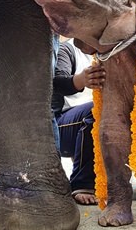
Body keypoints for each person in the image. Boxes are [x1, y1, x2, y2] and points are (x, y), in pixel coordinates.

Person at [52, 38, 106, 205]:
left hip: (97, 121)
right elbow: (56, 83)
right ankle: (82, 182)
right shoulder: (67, 50)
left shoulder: (111, 52)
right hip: (64, 126)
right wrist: (81, 80)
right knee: (97, 109)